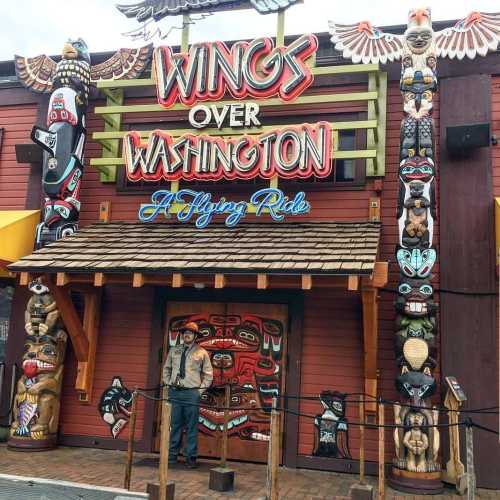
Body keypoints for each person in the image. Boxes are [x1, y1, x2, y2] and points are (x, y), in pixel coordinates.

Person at [162, 322, 213, 468]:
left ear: (195, 336)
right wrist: (168, 383)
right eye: (185, 332)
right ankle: (172, 456)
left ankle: (190, 458)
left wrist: (199, 391)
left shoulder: (201, 352)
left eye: (190, 333)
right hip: (175, 392)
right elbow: (167, 369)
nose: (187, 334)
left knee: (191, 426)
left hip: (191, 393)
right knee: (175, 425)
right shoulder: (174, 350)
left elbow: (208, 375)